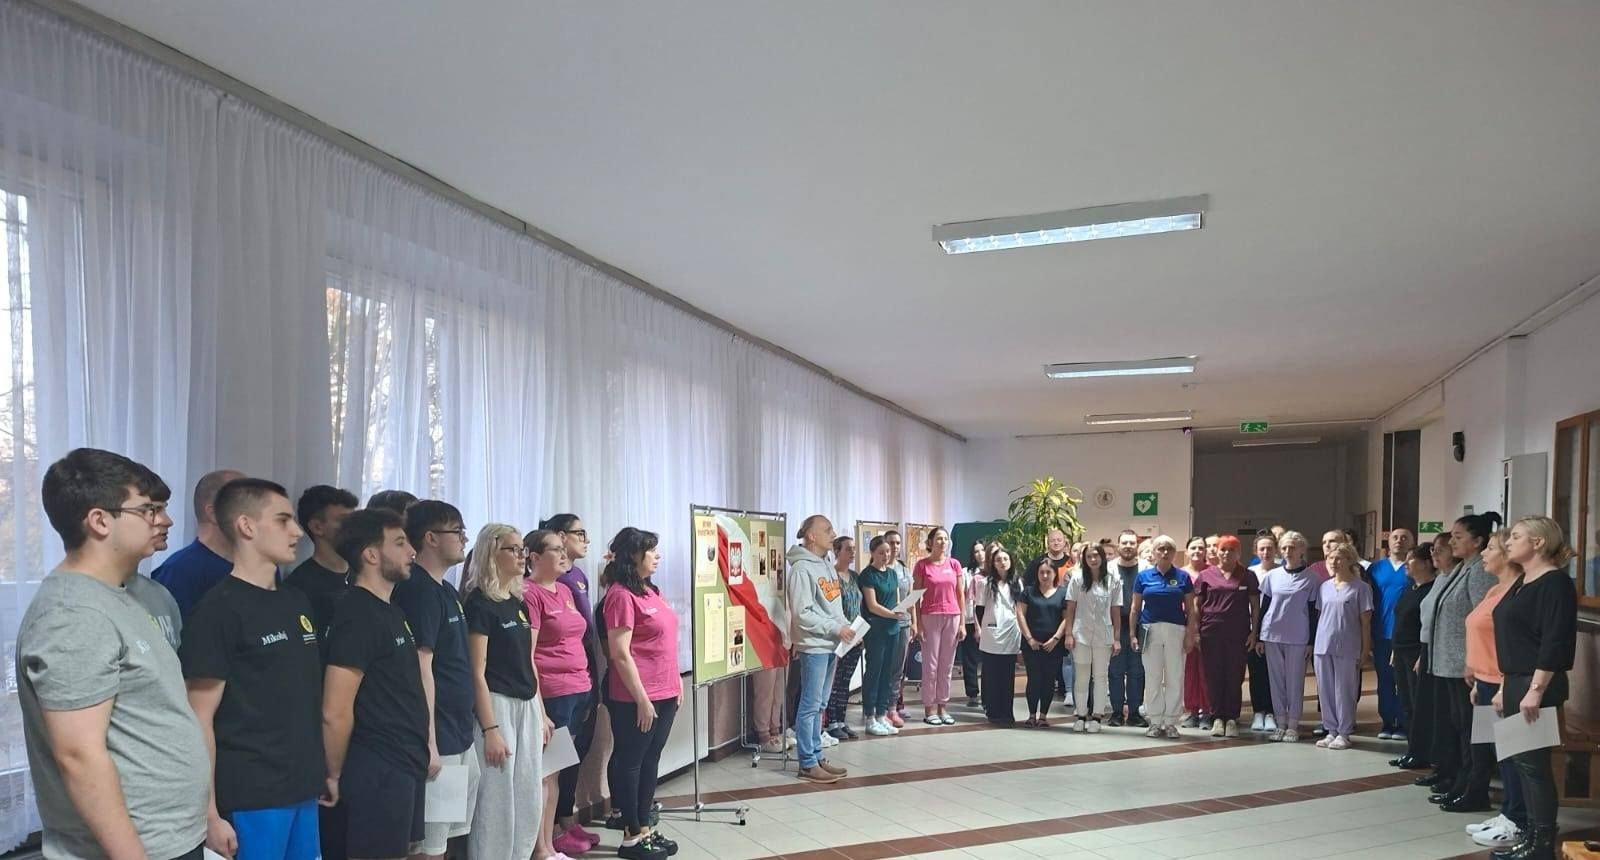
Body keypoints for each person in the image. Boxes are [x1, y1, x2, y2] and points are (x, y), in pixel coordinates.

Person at [20, 449, 208, 860]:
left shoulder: (130, 594)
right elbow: (79, 757)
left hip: (172, 836)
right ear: (100, 521)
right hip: (134, 849)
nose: (165, 520)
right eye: (149, 510)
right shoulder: (73, 616)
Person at [180, 478, 324, 860]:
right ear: (246, 526)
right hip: (252, 795)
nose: (297, 532)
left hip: (302, 787)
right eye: (283, 520)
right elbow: (198, 718)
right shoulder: (218, 611)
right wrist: (209, 813)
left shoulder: (296, 600)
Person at [321, 507, 429, 860]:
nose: (411, 551)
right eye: (399, 543)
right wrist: (333, 773)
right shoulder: (357, 614)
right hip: (375, 765)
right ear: (370, 554)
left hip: (403, 761)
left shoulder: (391, 610)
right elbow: (335, 709)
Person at [391, 501, 477, 860]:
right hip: (437, 733)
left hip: (457, 731)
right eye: (457, 531)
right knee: (429, 843)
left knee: (444, 835)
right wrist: (429, 741)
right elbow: (421, 666)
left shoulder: (445, 590)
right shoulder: (418, 591)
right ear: (430, 538)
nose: (464, 539)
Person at [1488, 516, 1577, 860]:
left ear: (1538, 542)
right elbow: (1513, 638)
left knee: (1534, 767)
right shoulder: (1523, 580)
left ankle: (1542, 844)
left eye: (1516, 537)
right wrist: (1503, 685)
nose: (1508, 542)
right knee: (1521, 763)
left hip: (1536, 683)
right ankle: (1528, 834)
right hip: (1515, 680)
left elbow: (1555, 640)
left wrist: (1536, 689)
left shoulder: (1555, 583)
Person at [459, 526, 550, 860]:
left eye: (522, 549)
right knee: (497, 798)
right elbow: (476, 672)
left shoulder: (516, 601)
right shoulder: (480, 604)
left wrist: (541, 712)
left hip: (526, 703)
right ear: (491, 553)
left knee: (527, 791)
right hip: (497, 704)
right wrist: (491, 729)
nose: (521, 556)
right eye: (512, 549)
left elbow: (527, 661)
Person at [600, 528, 681, 859]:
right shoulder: (620, 596)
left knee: (651, 759)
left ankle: (645, 828)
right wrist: (642, 699)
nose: (657, 556)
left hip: (665, 690)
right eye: (651, 550)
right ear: (633, 555)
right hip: (635, 696)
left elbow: (666, 642)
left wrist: (676, 683)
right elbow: (620, 654)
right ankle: (631, 835)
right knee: (631, 762)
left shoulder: (649, 590)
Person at [523, 529, 598, 858]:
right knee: (545, 774)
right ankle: (540, 848)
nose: (564, 554)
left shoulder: (565, 590)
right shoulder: (529, 593)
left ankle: (550, 843)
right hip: (554, 695)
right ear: (535, 557)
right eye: (556, 549)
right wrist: (540, 710)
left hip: (578, 689)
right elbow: (528, 655)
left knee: (556, 773)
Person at [1427, 512, 1501, 812]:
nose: (1452, 541)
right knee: (1460, 727)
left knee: (1473, 730)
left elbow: (1483, 620)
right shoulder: (1464, 567)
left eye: (1458, 537)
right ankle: (1461, 781)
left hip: (1467, 665)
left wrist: (1472, 660)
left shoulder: (1480, 572)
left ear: (1477, 541)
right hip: (1452, 662)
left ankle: (1475, 787)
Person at [1459, 530, 1526, 848]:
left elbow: (1514, 645)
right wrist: (1478, 675)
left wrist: (1501, 684)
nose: (1484, 554)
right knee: (1499, 753)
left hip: (1505, 683)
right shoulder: (1494, 589)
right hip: (1485, 682)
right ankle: (1508, 812)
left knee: (1514, 754)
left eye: (1490, 548)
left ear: (1508, 555)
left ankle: (1518, 820)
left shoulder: (1519, 593)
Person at [787, 515, 855, 783]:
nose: (833, 534)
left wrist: (847, 627)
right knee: (810, 704)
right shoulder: (802, 569)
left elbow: (833, 605)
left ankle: (816, 755)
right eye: (827, 530)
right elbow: (802, 613)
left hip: (830, 644)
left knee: (821, 704)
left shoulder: (826, 565)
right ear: (811, 536)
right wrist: (836, 628)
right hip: (814, 645)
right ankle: (806, 762)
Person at [1129, 535, 1198, 739]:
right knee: (1152, 676)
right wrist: (1133, 634)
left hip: (1176, 629)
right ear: (1154, 552)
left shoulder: (1183, 577)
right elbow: (1135, 608)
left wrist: (1190, 635)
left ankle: (1171, 722)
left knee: (1175, 675)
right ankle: (1155, 720)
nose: (1165, 552)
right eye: (1160, 548)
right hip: (1149, 629)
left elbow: (1191, 610)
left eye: (1169, 549)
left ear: (1174, 552)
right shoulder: (1143, 577)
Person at [153, 468, 245, 617]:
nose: (257, 512)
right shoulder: (179, 573)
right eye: (245, 503)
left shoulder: (262, 567)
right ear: (213, 513)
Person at [1195, 536, 1260, 738]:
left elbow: (1255, 606)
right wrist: (1195, 631)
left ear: (1238, 553)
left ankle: (1231, 718)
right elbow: (1196, 605)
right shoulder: (1206, 575)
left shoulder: (1247, 575)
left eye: (1231, 550)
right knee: (1213, 675)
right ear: (1217, 552)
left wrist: (1254, 632)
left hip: (1238, 634)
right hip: (1210, 633)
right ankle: (1216, 718)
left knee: (1234, 675)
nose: (1226, 553)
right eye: (1223, 549)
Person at [1257, 531, 1318, 742]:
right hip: (1272, 633)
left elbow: (1313, 611)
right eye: (1284, 548)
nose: (1287, 551)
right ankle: (1280, 723)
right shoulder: (1272, 576)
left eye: (1292, 547)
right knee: (1276, 682)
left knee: (1295, 681)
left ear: (1302, 550)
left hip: (1298, 636)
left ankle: (1293, 724)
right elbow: (1264, 606)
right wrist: (1259, 636)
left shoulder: (1312, 577)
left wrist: (1311, 641)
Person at [1311, 545, 1372, 751]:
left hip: (1348, 645)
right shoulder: (1324, 587)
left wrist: (1365, 649)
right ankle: (1331, 729)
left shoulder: (1361, 588)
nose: (1334, 562)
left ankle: (1344, 732)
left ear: (1350, 560)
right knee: (1325, 690)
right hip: (1323, 645)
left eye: (1339, 558)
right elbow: (1321, 615)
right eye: (1330, 558)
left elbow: (1365, 622)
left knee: (1344, 690)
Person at [1414, 535, 1461, 792]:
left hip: (1449, 653)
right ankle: (1441, 766)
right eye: (1432, 550)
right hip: (1431, 647)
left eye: (1440, 550)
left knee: (1448, 715)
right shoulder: (1441, 578)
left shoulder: (1458, 576)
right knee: (1434, 712)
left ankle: (1452, 771)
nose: (1434, 554)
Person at [283, 485, 359, 636]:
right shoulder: (298, 588)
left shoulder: (364, 575)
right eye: (344, 520)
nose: (355, 526)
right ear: (317, 527)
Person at [1390, 545, 1438, 772]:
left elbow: (1429, 627)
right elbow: (1401, 620)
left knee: (1419, 705)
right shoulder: (1410, 588)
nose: (1406, 564)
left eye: (1411, 560)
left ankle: (1423, 753)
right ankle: (1412, 750)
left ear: (1426, 563)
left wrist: (1422, 655)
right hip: (1401, 651)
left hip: (1416, 653)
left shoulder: (1431, 590)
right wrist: (1394, 650)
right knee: (1406, 703)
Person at [1064, 543, 1121, 732]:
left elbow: (1115, 610)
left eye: (1096, 555)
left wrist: (1116, 638)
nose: (1093, 559)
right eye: (1089, 556)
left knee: (1100, 676)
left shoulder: (1113, 579)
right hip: (1080, 634)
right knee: (1081, 676)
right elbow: (1070, 608)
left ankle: (1097, 716)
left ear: (1102, 557)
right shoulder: (1077, 578)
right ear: (1084, 559)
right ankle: (1081, 715)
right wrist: (1068, 634)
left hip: (1104, 635)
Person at [912, 527, 965, 725]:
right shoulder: (922, 565)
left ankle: (943, 706)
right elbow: (915, 597)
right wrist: (917, 624)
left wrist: (962, 623)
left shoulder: (954, 564)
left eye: (945, 539)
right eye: (939, 539)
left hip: (952, 616)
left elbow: (960, 594)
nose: (943, 542)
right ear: (930, 542)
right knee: (931, 666)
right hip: (930, 616)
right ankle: (929, 708)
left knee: (947, 665)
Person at [1367, 528, 1414, 740]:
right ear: (1388, 541)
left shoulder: (1414, 567)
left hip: (1405, 634)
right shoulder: (1376, 568)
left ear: (1411, 542)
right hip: (1381, 633)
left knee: (1403, 680)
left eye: (1404, 538)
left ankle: (1404, 722)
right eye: (1395, 537)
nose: (1399, 541)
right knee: (1384, 680)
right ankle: (1387, 721)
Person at [128, 478, 184, 649]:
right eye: (152, 510)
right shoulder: (82, 604)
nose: (167, 521)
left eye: (163, 509)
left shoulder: (160, 594)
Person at [859, 536, 906, 736]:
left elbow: (896, 599)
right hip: (876, 629)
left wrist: (900, 610)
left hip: (893, 628)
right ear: (872, 553)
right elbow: (872, 605)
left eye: (888, 551)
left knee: (888, 672)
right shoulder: (868, 575)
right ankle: (869, 716)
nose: (886, 555)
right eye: (881, 552)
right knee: (874, 671)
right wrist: (892, 614)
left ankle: (881, 714)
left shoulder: (892, 573)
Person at [1018, 558, 1069, 727]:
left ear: (1055, 574)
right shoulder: (1028, 592)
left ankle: (1043, 716)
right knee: (1034, 679)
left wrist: (1056, 639)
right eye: (1041, 572)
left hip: (1053, 645)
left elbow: (1067, 618)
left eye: (1048, 572)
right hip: (1032, 644)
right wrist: (1029, 639)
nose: (1045, 575)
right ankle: (1031, 715)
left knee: (1049, 680)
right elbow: (1020, 614)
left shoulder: (1062, 593)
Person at [1106, 530, 1147, 728]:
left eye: (1132, 543)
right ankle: (1116, 712)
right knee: (1115, 670)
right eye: (1124, 543)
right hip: (1115, 625)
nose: (1128, 546)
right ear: (1118, 545)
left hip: (1139, 626)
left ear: (1137, 545)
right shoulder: (1108, 569)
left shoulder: (1146, 568)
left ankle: (1134, 712)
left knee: (1137, 671)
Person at [977, 546, 1022, 725]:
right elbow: (979, 609)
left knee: (1008, 675)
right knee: (992, 674)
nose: (1002, 562)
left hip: (1011, 632)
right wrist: (985, 627)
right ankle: (993, 711)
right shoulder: (985, 583)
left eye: (1005, 559)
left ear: (1010, 562)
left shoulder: (1017, 582)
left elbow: (1020, 608)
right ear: (993, 563)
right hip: (991, 633)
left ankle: (1007, 712)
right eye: (998, 560)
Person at [826, 536, 865, 739]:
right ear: (837, 551)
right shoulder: (832, 576)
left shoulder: (855, 577)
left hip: (856, 637)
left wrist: (860, 632)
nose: (852, 553)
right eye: (848, 549)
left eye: (854, 549)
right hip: (840, 636)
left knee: (845, 681)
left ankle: (841, 720)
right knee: (834, 681)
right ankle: (831, 722)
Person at [1036, 529, 1075, 704]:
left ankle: (1065, 688)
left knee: (1065, 655)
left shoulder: (1071, 562)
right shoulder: (1039, 562)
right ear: (1047, 542)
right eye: (1053, 540)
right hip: (1046, 616)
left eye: (1059, 540)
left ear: (1065, 542)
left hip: (1066, 613)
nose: (1056, 543)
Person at [1246, 534, 1280, 732]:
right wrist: (1255, 632)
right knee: (1256, 672)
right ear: (1255, 551)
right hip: (1254, 630)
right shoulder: (1250, 573)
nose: (1266, 552)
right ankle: (1258, 711)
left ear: (1276, 550)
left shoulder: (1282, 571)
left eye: (1270, 548)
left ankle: (1272, 712)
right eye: (1262, 549)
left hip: (1277, 630)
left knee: (1274, 674)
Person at [1180, 537, 1211, 729]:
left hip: (1208, 627)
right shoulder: (1180, 574)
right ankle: (1191, 710)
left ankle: (1207, 711)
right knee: (1189, 671)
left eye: (1201, 548)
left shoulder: (1212, 573)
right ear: (1186, 551)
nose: (1197, 551)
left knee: (1206, 671)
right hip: (1184, 627)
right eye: (1193, 548)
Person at [882, 529, 912, 727]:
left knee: (898, 669)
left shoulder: (903, 569)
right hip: (885, 624)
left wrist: (914, 623)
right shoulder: (880, 569)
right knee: (884, 666)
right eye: (891, 543)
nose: (894, 547)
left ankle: (893, 708)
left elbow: (911, 598)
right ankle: (880, 708)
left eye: (897, 543)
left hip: (904, 624)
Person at [958, 541, 987, 707]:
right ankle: (972, 693)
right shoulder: (965, 572)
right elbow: (961, 596)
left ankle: (989, 693)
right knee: (970, 659)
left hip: (988, 619)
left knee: (988, 659)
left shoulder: (993, 571)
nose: (980, 554)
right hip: (969, 619)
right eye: (976, 551)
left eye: (982, 550)